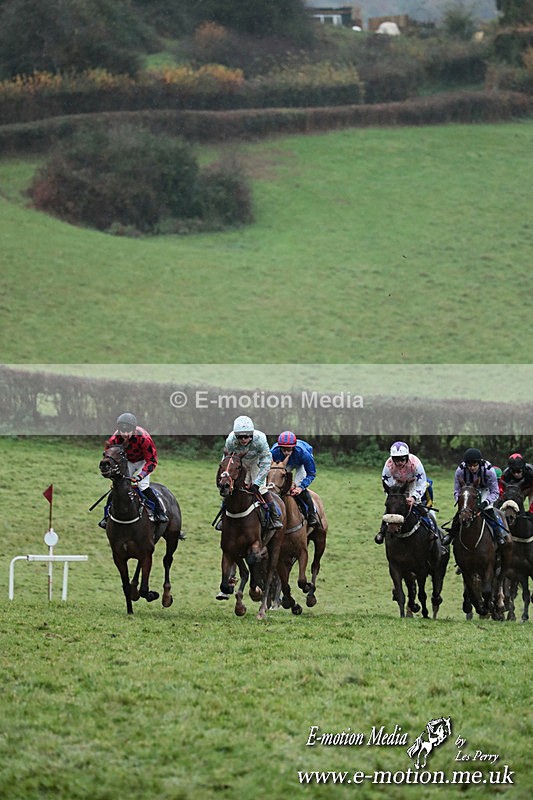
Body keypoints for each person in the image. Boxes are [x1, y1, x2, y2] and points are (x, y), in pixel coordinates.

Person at [99, 412, 168, 528]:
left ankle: (159, 512)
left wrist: (140, 476)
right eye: (122, 431)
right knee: (118, 486)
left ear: (134, 429)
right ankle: (106, 516)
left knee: (142, 486)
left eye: (128, 431)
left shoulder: (144, 438)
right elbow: (108, 455)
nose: (125, 434)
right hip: (128, 461)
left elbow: (152, 460)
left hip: (143, 461)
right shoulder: (115, 439)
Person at [219, 415, 282, 529]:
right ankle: (223, 517)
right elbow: (226, 458)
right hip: (239, 463)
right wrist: (225, 474)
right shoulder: (230, 440)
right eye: (240, 436)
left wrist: (257, 483)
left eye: (247, 436)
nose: (243, 439)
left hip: (255, 462)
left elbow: (266, 462)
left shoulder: (261, 439)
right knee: (229, 488)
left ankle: (274, 517)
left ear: (252, 434)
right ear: (235, 435)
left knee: (261, 489)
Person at [441, 447, 508, 547]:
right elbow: (457, 490)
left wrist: (484, 503)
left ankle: (498, 535)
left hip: (485, 489)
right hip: (467, 489)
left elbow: (495, 491)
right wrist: (461, 502)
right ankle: (451, 534)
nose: (472, 468)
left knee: (488, 510)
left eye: (474, 465)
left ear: (479, 463)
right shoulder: (460, 470)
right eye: (469, 465)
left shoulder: (489, 470)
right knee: (462, 511)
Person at [375, 441, 430, 544]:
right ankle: (382, 532)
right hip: (397, 484)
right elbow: (387, 484)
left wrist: (413, 497)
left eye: (402, 459)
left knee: (419, 507)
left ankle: (432, 531)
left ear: (407, 457)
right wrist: (395, 498)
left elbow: (421, 483)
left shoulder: (416, 463)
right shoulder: (388, 465)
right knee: (393, 506)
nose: (399, 462)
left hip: (413, 483)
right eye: (396, 459)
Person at [270, 430, 320, 527]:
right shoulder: (274, 453)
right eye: (283, 449)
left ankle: (311, 514)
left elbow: (311, 473)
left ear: (294, 447)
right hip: (284, 463)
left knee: (296, 485)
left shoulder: (304, 454)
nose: (286, 452)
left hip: (300, 463)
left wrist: (301, 487)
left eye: (289, 449)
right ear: (279, 448)